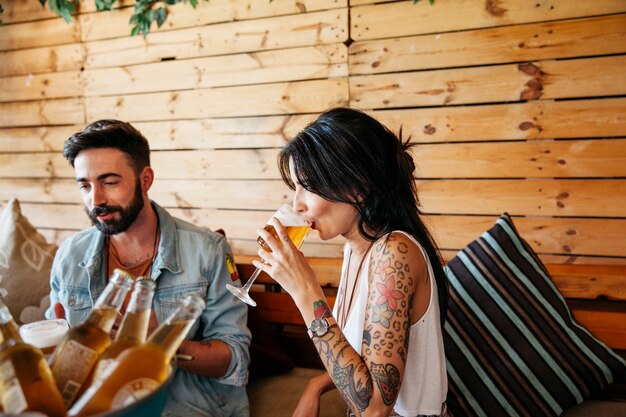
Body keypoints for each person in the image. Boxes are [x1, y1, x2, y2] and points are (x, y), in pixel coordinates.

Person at [45, 119, 251, 417]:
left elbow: (233, 358)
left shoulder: (208, 250)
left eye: (110, 182)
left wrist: (163, 342)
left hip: (181, 408)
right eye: (85, 185)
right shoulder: (69, 255)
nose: (96, 200)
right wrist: (57, 344)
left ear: (145, 179)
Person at [251, 108, 449, 417]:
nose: (297, 204)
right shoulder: (356, 249)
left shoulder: (395, 253)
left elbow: (374, 408)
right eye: (296, 187)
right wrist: (315, 385)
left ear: (358, 184)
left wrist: (305, 291)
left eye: (310, 186)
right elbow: (364, 356)